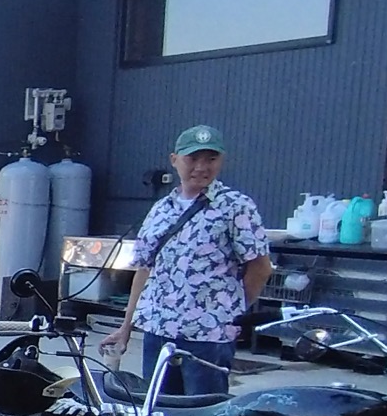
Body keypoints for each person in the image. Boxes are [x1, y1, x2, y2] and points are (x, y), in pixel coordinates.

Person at [100, 124, 273, 397]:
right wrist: (126, 327)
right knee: (158, 409)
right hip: (159, 330)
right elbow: (145, 269)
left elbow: (260, 268)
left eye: (211, 159)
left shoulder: (236, 207)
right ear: (174, 160)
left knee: (203, 411)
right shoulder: (161, 209)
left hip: (208, 337)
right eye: (192, 158)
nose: (201, 167)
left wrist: (229, 311)